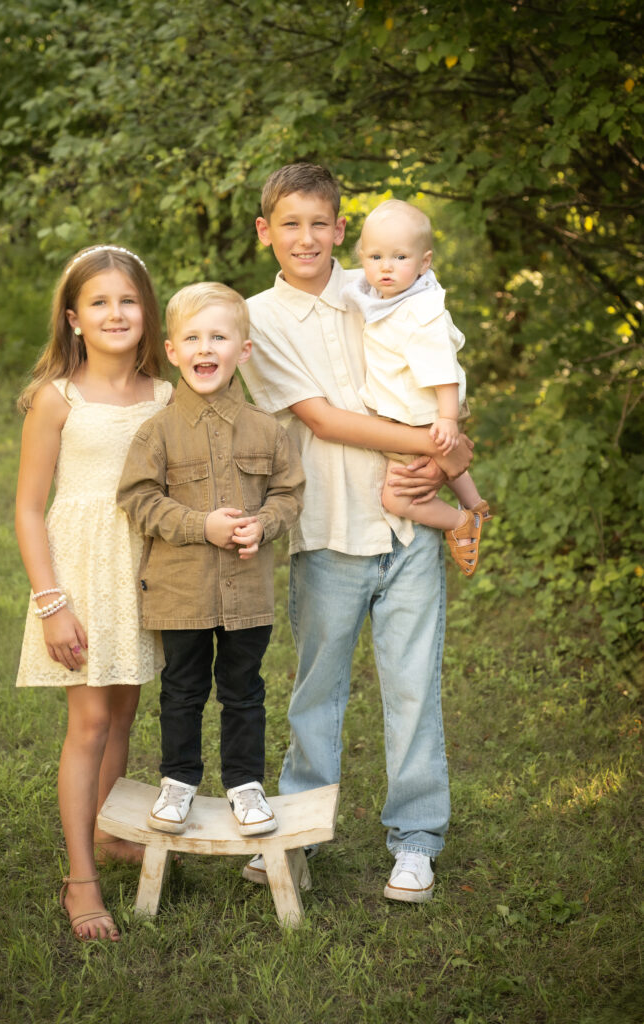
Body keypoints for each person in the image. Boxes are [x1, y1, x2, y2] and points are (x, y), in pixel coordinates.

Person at [239, 163, 473, 903]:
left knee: (412, 689)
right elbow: (321, 418)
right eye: (290, 224)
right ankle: (300, 833)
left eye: (320, 223)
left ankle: (415, 840)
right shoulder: (259, 319)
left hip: (407, 531)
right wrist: (423, 442)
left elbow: (442, 371)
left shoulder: (382, 281)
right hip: (329, 527)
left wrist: (445, 451)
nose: (307, 238)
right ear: (264, 232)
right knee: (319, 692)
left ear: (342, 229)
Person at [15, 244, 170, 942]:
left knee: (126, 708)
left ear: (147, 312)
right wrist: (52, 603)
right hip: (80, 575)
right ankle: (80, 880)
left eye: (128, 300)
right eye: (100, 302)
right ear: (74, 317)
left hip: (144, 570)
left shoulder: (167, 395)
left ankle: (108, 831)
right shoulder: (58, 399)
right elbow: (27, 508)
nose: (115, 313)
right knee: (89, 723)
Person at [117, 282, 305, 838]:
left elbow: (289, 495)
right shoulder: (156, 432)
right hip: (181, 589)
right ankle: (178, 780)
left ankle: (245, 785)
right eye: (192, 338)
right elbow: (137, 499)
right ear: (172, 351)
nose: (206, 349)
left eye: (219, 337)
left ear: (242, 351)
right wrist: (203, 525)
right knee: (182, 688)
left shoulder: (268, 430)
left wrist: (265, 523)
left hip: (248, 591)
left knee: (244, 689)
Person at [344, 198, 492, 576]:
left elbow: (442, 366)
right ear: (362, 258)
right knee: (447, 458)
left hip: (426, 415)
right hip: (418, 414)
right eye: (375, 257)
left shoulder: (418, 311)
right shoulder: (385, 298)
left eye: (399, 257)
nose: (386, 267)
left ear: (424, 262)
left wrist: (447, 419)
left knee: (397, 497)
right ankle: (475, 505)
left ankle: (459, 523)